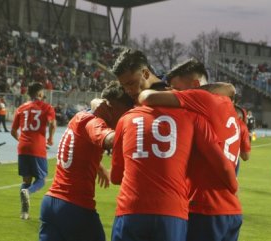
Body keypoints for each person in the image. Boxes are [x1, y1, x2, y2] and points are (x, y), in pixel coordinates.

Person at [138, 59, 243, 241]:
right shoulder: (226, 103)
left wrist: (143, 91)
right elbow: (230, 88)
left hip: (205, 206)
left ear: (195, 85)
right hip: (230, 209)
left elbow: (148, 98)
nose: (173, 94)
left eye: (176, 89)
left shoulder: (201, 98)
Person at [110, 104, 238, 241]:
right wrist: (234, 186)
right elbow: (222, 163)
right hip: (173, 211)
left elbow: (116, 177)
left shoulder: (127, 117)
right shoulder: (191, 116)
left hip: (131, 208)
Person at [39, 81, 134, 241]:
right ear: (111, 108)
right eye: (125, 113)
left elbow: (80, 148)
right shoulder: (93, 122)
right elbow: (108, 139)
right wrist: (136, 129)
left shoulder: (80, 117)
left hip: (51, 203)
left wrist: (99, 166)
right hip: (74, 207)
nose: (126, 118)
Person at [11, 82, 57, 220]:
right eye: (42, 92)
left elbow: (13, 131)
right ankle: (28, 192)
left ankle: (24, 213)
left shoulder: (21, 108)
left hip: (23, 147)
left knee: (26, 179)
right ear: (39, 94)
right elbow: (52, 124)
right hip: (37, 147)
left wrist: (22, 141)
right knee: (41, 180)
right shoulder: (47, 107)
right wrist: (50, 138)